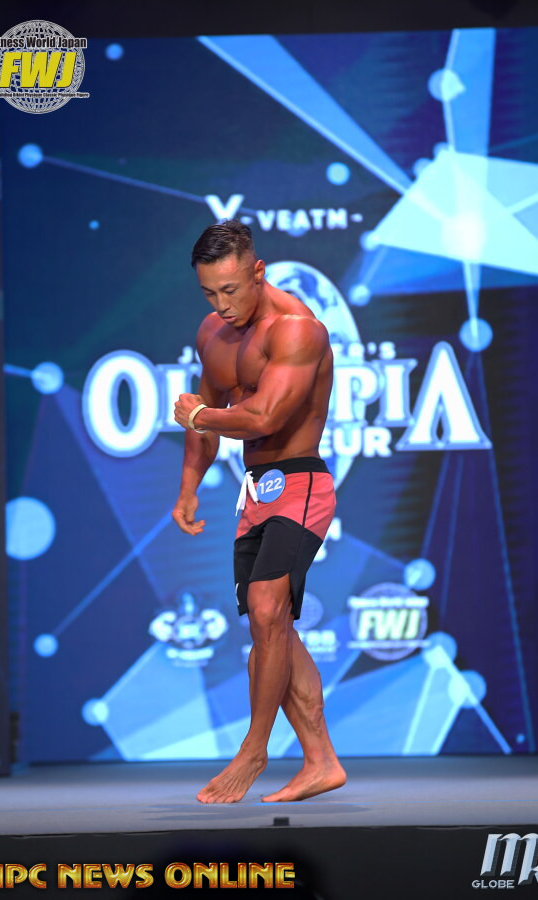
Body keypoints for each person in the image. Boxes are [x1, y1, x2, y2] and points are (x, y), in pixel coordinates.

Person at [173, 219, 346, 804]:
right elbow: (206, 418)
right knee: (271, 628)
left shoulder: (298, 330)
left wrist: (199, 416)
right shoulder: (213, 334)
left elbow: (264, 417)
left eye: (231, 289)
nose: (222, 305)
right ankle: (321, 761)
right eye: (209, 293)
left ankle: (254, 750)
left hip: (300, 481)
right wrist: (188, 487)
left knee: (270, 608)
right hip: (255, 491)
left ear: (258, 271)